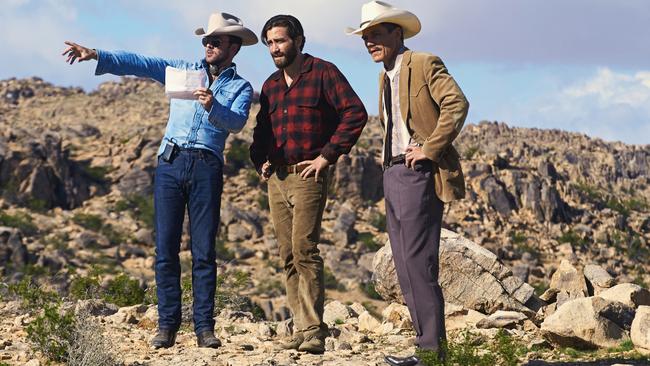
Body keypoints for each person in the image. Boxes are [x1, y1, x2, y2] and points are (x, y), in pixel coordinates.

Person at [62, 11, 258, 349]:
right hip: (170, 162)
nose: (208, 45)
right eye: (206, 40)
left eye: (216, 41)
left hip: (206, 167)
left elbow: (237, 122)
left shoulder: (241, 87)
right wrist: (96, 54)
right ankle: (167, 326)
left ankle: (204, 329)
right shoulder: (184, 69)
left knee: (204, 252)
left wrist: (213, 106)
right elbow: (141, 63)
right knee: (165, 249)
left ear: (234, 47)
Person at [346, 1, 469, 365]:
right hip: (393, 173)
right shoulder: (385, 75)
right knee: (404, 265)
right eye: (366, 37)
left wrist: (430, 149)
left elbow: (457, 104)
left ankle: (432, 353)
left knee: (418, 263)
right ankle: (425, 348)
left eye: (377, 34)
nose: (370, 42)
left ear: (397, 33)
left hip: (418, 174)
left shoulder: (424, 62)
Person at [250, 14, 368, 354]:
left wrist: (326, 157)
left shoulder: (323, 72)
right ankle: (301, 329)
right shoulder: (271, 85)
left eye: (281, 41)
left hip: (307, 176)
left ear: (299, 40)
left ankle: (315, 330)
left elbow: (354, 113)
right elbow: (260, 132)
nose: (275, 48)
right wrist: (261, 161)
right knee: (287, 254)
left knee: (304, 249)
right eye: (270, 43)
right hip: (278, 179)